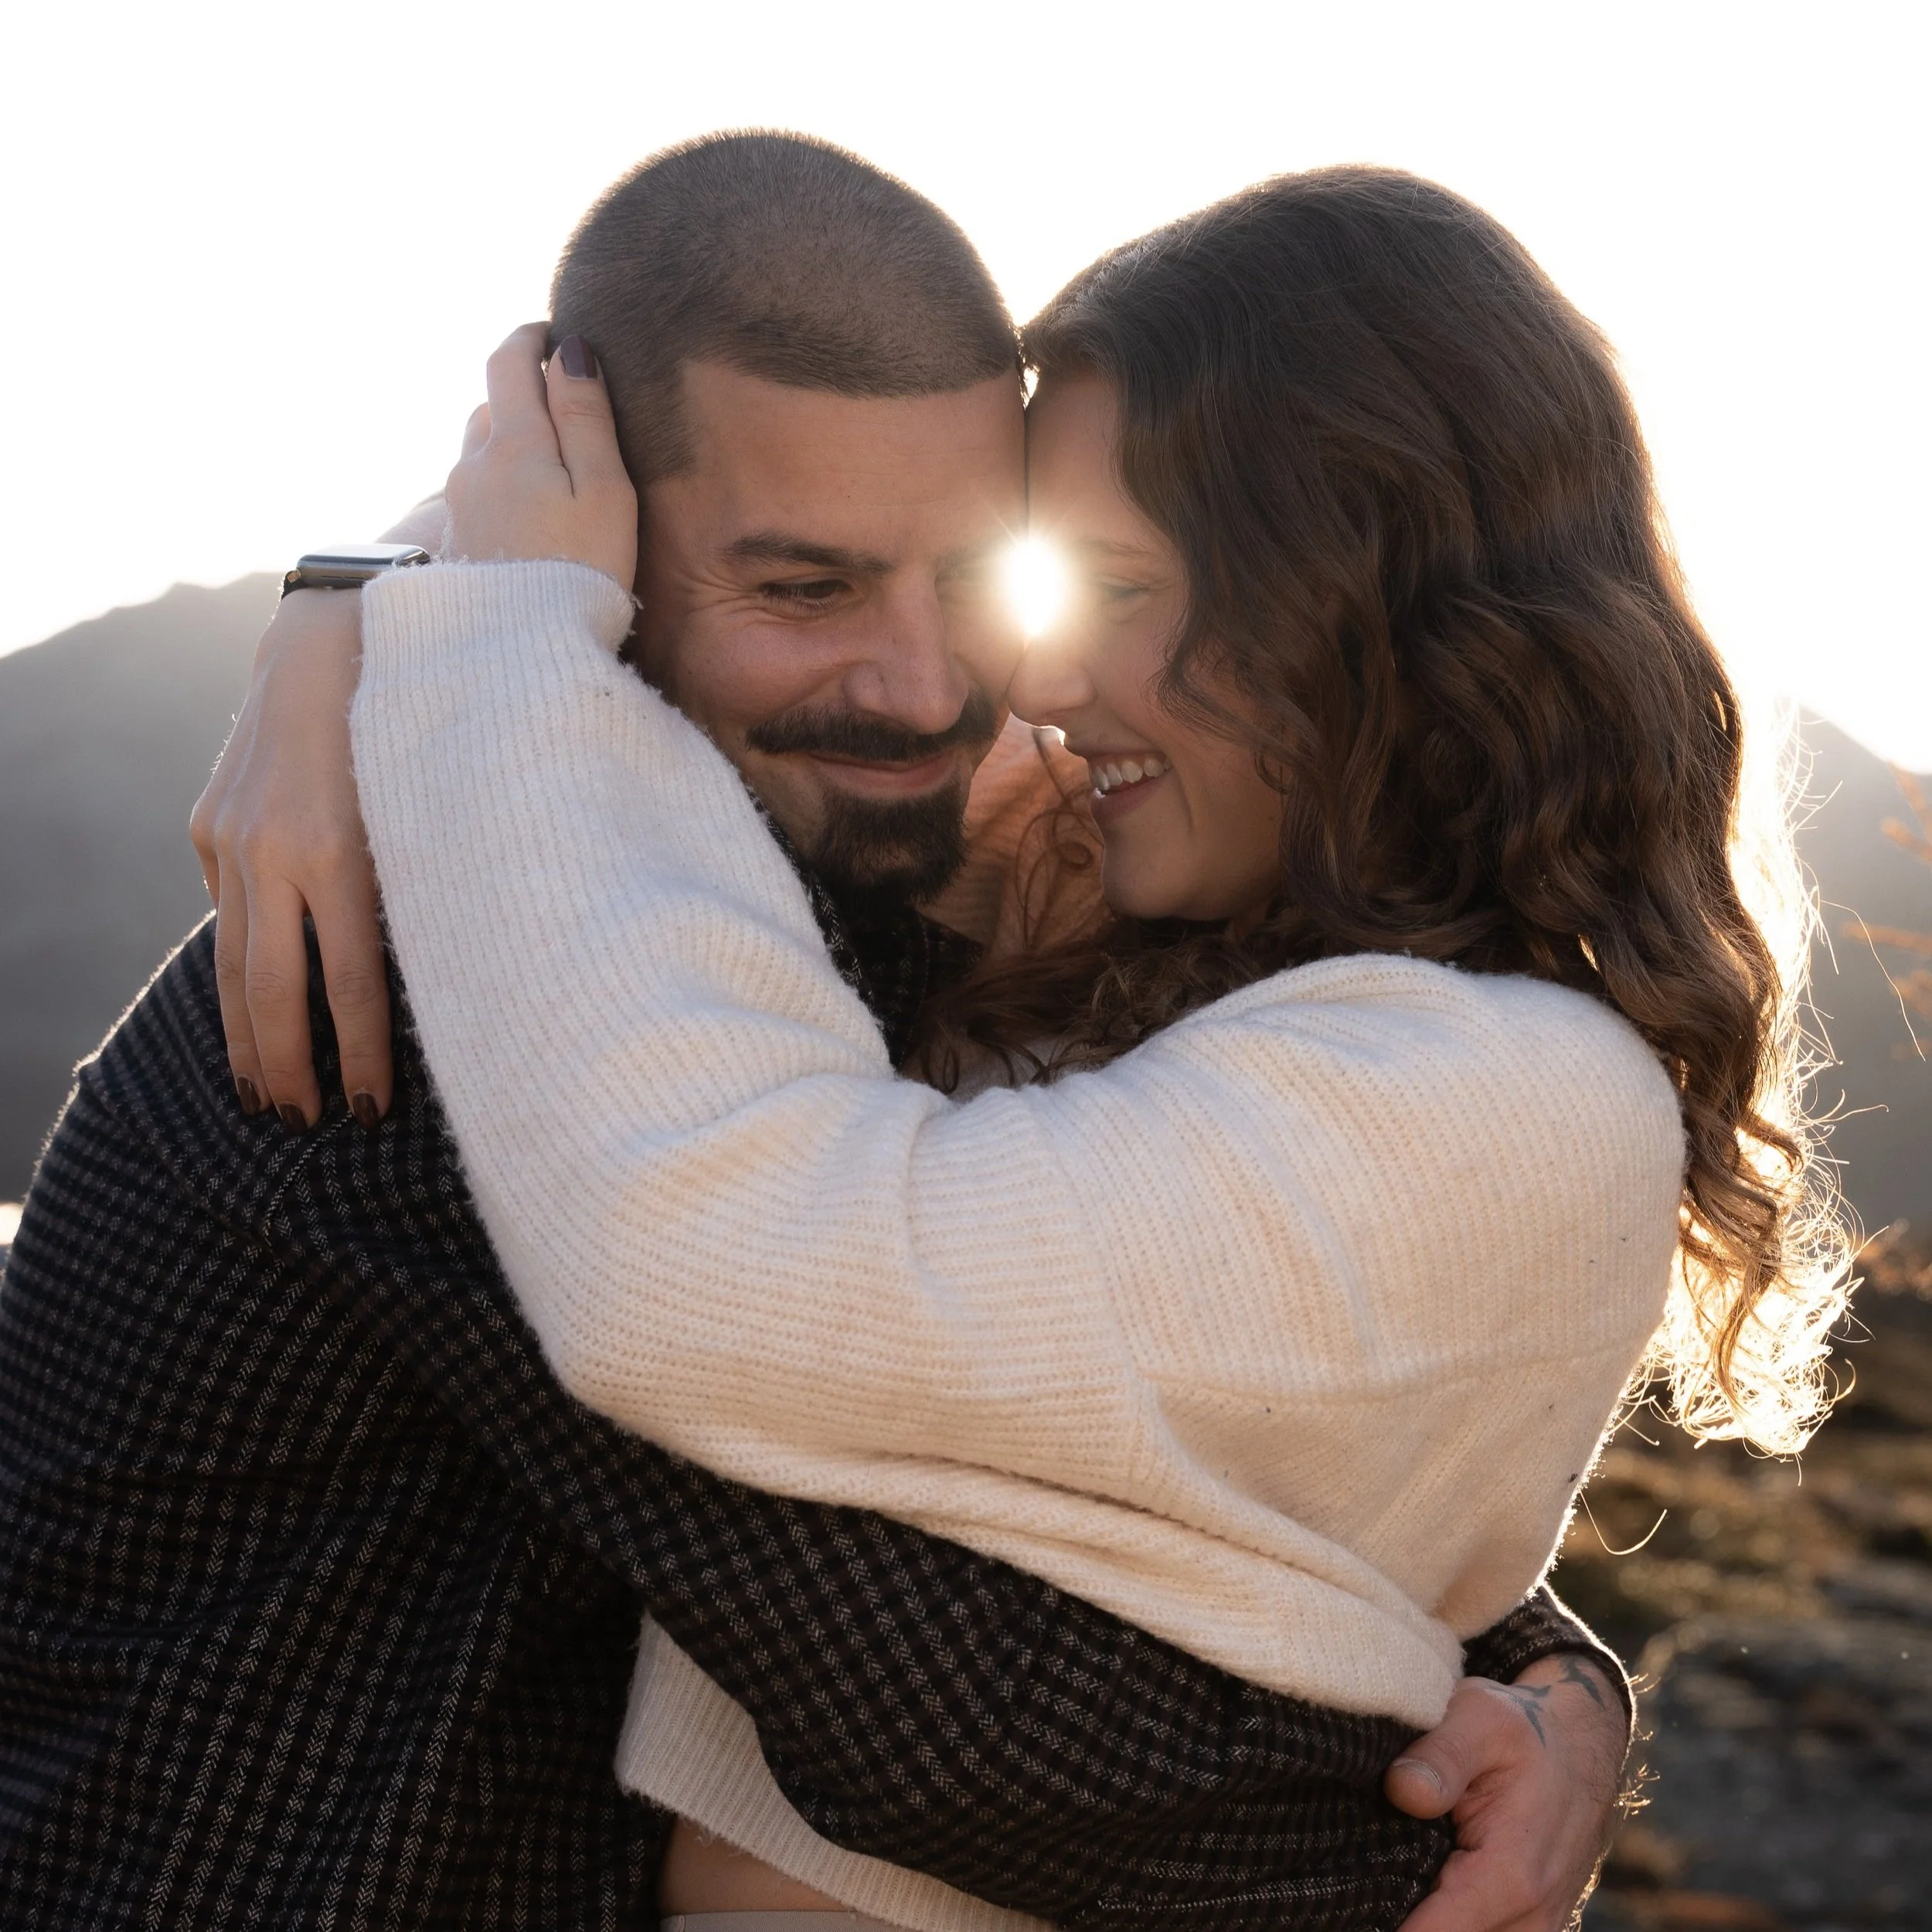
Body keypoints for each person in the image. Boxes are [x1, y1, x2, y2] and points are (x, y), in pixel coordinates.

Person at [0, 137, 1629, 1932]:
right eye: (800, 590)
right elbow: (956, 1715)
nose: (926, 687)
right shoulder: (451, 972)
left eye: (984, 576)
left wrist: (1539, 1661)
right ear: (591, 549)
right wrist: (1442, 1804)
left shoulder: (877, 898)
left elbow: (1090, 1415)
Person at [338, 162, 1847, 1927]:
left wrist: (490, 633)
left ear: (1356, 599)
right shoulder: (1145, 884)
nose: (1036, 684)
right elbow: (712, 653)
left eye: (1118, 588)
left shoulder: (1518, 1099)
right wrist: (344, 609)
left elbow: (715, 1263)